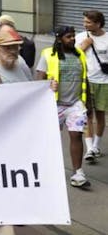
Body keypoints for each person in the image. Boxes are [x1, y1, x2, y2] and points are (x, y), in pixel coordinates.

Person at [36, 26, 91, 188]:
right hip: (54, 105)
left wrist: (88, 102)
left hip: (75, 104)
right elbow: (40, 79)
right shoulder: (47, 54)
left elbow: (84, 79)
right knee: (51, 138)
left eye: (73, 36)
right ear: (59, 39)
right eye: (69, 37)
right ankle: (46, 169)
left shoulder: (79, 54)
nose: (73, 39)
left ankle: (78, 172)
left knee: (76, 136)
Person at [77, 10, 108, 163]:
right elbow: (73, 55)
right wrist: (83, 46)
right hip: (86, 81)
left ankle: (96, 146)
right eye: (85, 21)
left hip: (104, 82)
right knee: (87, 115)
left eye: (88, 22)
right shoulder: (81, 37)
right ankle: (89, 149)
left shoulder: (107, 37)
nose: (85, 24)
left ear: (98, 23)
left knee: (101, 115)